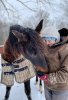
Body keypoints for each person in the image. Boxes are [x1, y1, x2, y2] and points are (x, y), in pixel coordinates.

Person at [37, 26, 68, 100]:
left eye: (50, 39)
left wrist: (47, 77)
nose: (47, 42)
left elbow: (66, 73)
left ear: (56, 39)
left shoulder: (64, 49)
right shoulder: (45, 49)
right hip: (48, 85)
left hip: (60, 88)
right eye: (44, 39)